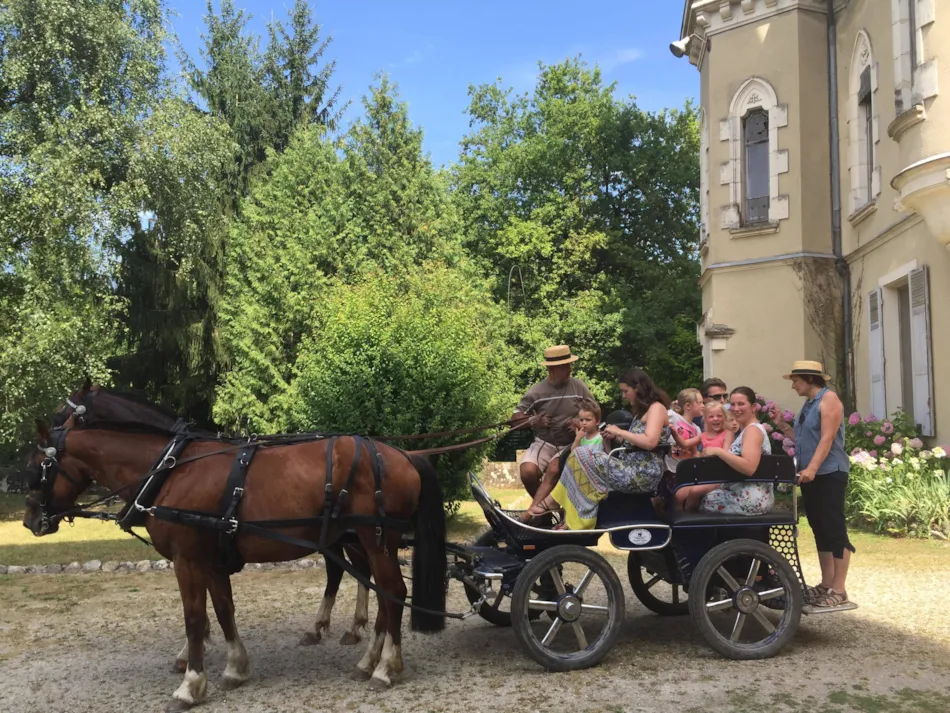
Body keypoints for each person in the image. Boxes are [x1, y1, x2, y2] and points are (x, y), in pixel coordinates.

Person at [521, 368, 671, 530]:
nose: (623, 396)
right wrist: (616, 437)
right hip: (630, 468)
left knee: (581, 453)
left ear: (638, 388)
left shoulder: (656, 408)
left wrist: (621, 432)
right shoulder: (641, 411)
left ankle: (554, 504)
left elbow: (650, 442)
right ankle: (569, 517)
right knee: (577, 457)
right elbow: (636, 443)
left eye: (625, 391)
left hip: (642, 474)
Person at [769, 360, 854, 610]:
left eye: (795, 380)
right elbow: (805, 440)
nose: (793, 385)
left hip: (829, 473)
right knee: (819, 528)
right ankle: (826, 583)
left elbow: (827, 439)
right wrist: (782, 426)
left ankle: (839, 589)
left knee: (834, 528)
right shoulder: (809, 404)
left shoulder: (830, 400)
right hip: (811, 474)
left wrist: (813, 469)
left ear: (809, 379)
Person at [510, 345, 595, 498]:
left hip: (572, 443)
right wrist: (533, 421)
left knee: (554, 469)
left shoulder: (579, 387)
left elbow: (596, 412)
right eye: (566, 366)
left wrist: (580, 422)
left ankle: (537, 510)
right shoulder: (537, 391)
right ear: (553, 369)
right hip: (545, 442)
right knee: (528, 472)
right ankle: (544, 515)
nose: (570, 369)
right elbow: (515, 419)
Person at [697, 387, 774, 516]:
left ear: (753, 407)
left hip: (750, 498)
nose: (736, 409)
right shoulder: (747, 430)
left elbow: (749, 467)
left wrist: (718, 452)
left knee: (698, 498)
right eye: (732, 404)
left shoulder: (752, 431)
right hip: (746, 493)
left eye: (741, 404)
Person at [673, 400, 736, 511]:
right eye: (711, 416)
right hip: (703, 476)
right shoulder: (703, 435)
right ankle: (678, 521)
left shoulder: (727, 434)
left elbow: (726, 453)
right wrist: (673, 432)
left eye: (719, 416)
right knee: (678, 495)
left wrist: (714, 451)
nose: (715, 419)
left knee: (694, 492)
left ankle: (689, 518)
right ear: (705, 419)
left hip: (719, 477)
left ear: (724, 418)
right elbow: (685, 443)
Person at [669, 388, 703, 459]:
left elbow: (694, 453)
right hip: (670, 467)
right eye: (700, 403)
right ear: (688, 406)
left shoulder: (697, 429)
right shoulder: (673, 416)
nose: (703, 406)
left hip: (684, 467)